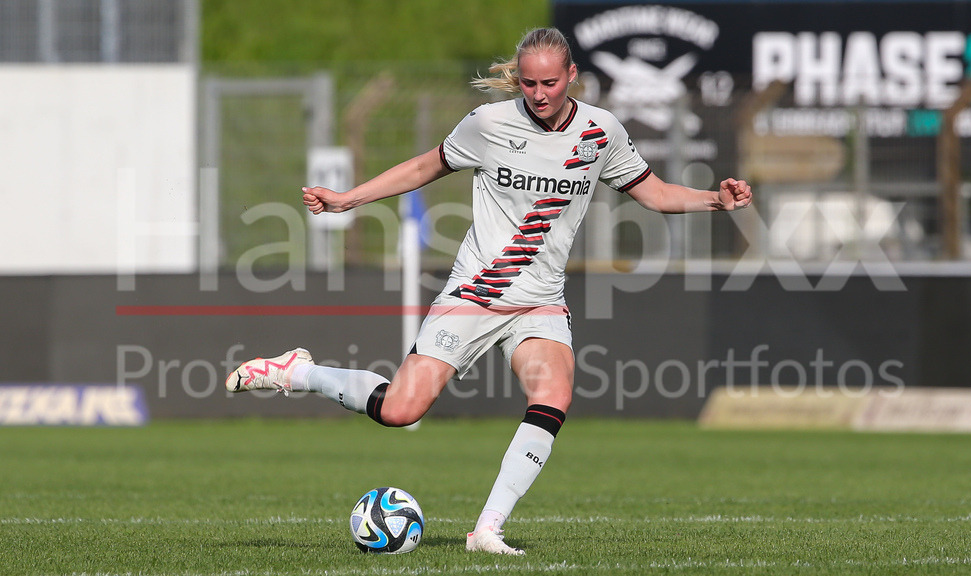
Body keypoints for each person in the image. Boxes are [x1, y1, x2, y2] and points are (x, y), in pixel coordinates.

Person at [226, 27, 751, 556]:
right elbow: (422, 166)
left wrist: (717, 200)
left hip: (541, 301)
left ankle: (487, 530)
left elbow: (655, 194)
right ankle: (298, 372)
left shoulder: (601, 132)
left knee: (554, 394)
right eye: (528, 83)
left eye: (550, 82)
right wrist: (348, 200)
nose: (540, 93)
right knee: (401, 410)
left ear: (573, 76)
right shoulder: (489, 123)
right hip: (475, 294)